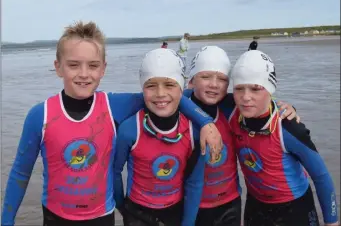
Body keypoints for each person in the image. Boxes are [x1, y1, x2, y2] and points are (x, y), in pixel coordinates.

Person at [0, 22, 223, 226]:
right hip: (55, 217)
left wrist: (205, 123)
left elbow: (167, 97)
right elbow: (20, 173)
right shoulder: (41, 115)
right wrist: (7, 221)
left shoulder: (112, 106)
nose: (84, 74)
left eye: (93, 65)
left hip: (102, 217)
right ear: (58, 67)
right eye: (74, 65)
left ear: (103, 69)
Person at [185, 46, 299, 226]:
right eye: (205, 76)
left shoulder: (230, 107)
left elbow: (257, 98)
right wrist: (204, 121)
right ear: (191, 80)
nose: (214, 84)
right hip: (190, 204)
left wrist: (285, 107)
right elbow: (173, 96)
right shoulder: (177, 108)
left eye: (222, 79)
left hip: (230, 202)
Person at [229, 50, 339, 226]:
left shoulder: (288, 127)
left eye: (256, 88)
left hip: (294, 208)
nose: (245, 97)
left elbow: (321, 176)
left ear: (270, 89)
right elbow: (189, 98)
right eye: (239, 88)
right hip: (255, 205)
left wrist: (332, 221)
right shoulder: (232, 112)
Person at [114, 48, 206, 226]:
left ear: (182, 89)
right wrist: (122, 208)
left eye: (169, 85)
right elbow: (115, 172)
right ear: (142, 89)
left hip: (175, 211)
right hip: (136, 212)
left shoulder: (195, 132)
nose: (160, 93)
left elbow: (195, 183)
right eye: (151, 85)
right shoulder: (129, 129)